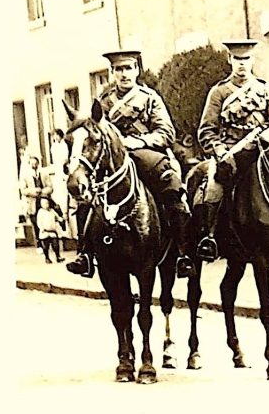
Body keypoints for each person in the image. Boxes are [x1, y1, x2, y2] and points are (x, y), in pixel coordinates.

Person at [67, 51, 196, 279]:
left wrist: (134, 142)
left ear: (136, 70)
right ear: (113, 73)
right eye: (119, 70)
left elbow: (166, 133)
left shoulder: (149, 98)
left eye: (128, 68)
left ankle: (183, 253)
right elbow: (91, 131)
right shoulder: (104, 102)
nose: (124, 74)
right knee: (85, 197)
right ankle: (84, 253)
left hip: (147, 155)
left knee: (173, 188)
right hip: (112, 163)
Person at [194, 40, 269, 261]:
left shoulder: (264, 89)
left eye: (246, 59)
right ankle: (210, 237)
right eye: (237, 60)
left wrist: (268, 135)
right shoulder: (219, 92)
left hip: (262, 153)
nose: (242, 65)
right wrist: (219, 150)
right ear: (230, 60)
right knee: (213, 188)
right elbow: (206, 130)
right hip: (231, 155)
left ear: (252, 60)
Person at [19, 155, 50, 246]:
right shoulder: (25, 176)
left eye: (35, 163)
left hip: (43, 200)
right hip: (32, 202)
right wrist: (33, 191)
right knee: (36, 222)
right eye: (32, 164)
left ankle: (48, 242)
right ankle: (39, 243)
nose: (34, 165)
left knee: (46, 220)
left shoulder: (44, 174)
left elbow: (50, 187)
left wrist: (43, 191)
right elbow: (23, 190)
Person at [36, 197, 65, 264]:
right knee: (45, 246)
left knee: (55, 245)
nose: (46, 205)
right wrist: (41, 228)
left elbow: (57, 217)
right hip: (44, 232)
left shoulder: (52, 211)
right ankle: (47, 258)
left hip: (52, 231)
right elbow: (39, 221)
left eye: (47, 203)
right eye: (43, 203)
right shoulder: (40, 212)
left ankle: (58, 257)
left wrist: (61, 219)